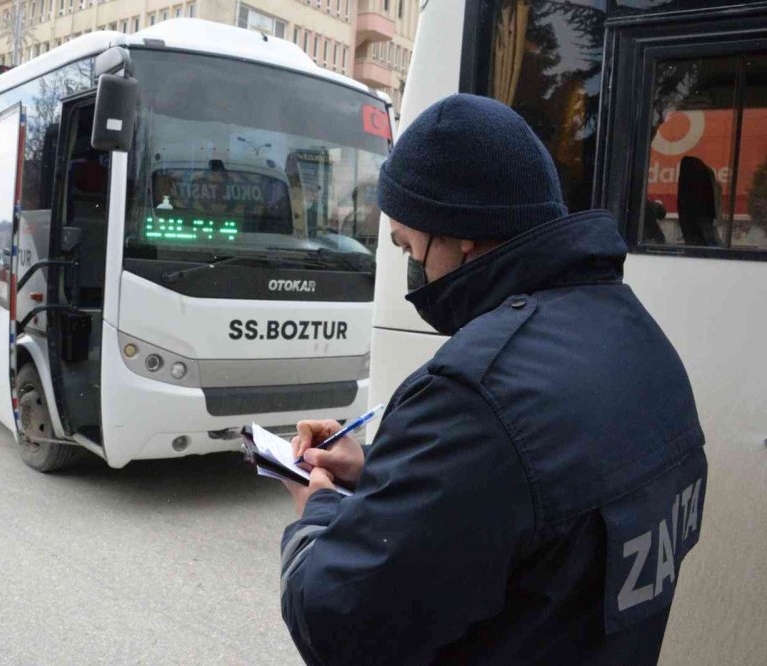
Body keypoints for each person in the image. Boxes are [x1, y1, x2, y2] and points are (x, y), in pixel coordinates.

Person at [279, 94, 708, 665]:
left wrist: (319, 507)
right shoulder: (640, 338)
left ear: (464, 235)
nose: (414, 269)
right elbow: (533, 497)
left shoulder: (475, 393)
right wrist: (381, 469)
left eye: (410, 245)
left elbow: (335, 622)